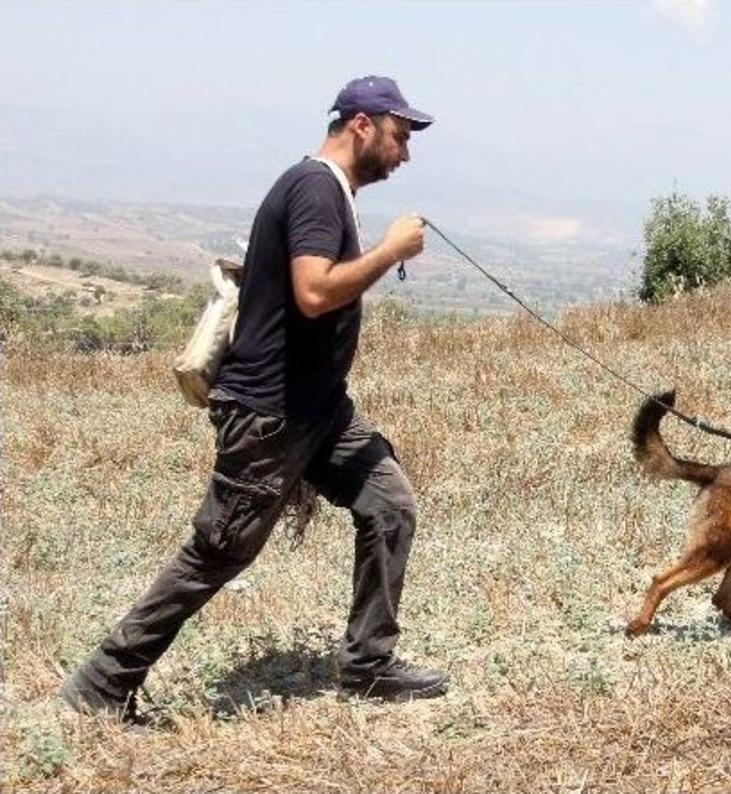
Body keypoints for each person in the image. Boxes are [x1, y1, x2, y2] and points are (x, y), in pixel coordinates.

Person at [61, 76, 448, 721]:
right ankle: (101, 683)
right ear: (362, 124)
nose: (405, 153)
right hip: (271, 414)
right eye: (400, 136)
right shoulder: (316, 189)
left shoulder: (330, 192)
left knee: (389, 504)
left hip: (320, 411)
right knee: (218, 552)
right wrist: (390, 251)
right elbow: (316, 292)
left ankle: (368, 664)